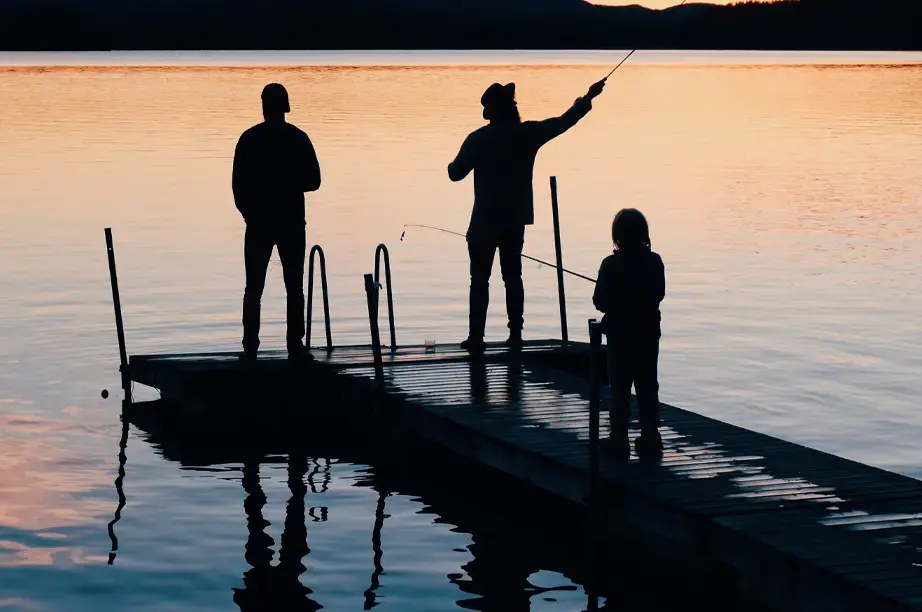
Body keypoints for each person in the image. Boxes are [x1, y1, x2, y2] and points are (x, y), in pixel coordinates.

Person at [448, 78, 606, 355]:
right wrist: (587, 98)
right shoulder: (527, 134)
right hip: (514, 221)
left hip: (483, 223)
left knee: (479, 280)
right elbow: (564, 121)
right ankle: (516, 334)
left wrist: (462, 159)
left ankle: (476, 337)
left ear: (490, 112)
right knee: (513, 277)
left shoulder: (478, 139)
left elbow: (454, 173)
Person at [232, 83, 321, 361]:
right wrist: (291, 184)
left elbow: (238, 187)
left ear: (264, 107)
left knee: (253, 288)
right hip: (291, 223)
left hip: (258, 224)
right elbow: (315, 181)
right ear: (286, 107)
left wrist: (249, 213)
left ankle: (250, 346)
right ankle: (295, 345)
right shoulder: (299, 138)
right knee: (294, 286)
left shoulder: (248, 139)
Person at [592, 209, 666, 462]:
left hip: (619, 337)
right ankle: (650, 435)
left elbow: (599, 301)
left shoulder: (609, 265)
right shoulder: (655, 262)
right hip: (647, 335)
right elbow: (659, 294)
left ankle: (619, 438)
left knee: (619, 388)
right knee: (647, 385)